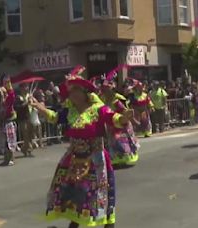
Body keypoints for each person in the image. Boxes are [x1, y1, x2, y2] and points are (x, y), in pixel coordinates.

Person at [31, 73, 134, 228]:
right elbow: (55, 117)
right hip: (74, 159)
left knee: (95, 192)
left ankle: (106, 221)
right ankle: (75, 221)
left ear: (84, 92)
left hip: (95, 159)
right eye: (70, 91)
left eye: (75, 90)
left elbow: (113, 118)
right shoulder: (70, 111)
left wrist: (123, 118)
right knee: (73, 193)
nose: (72, 94)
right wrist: (40, 108)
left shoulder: (98, 109)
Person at [100, 79, 139, 166]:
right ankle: (115, 158)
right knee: (111, 142)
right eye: (103, 90)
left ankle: (126, 157)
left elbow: (125, 111)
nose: (104, 91)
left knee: (120, 140)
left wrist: (133, 120)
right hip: (110, 125)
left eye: (106, 89)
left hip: (121, 123)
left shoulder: (117, 100)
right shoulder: (102, 100)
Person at [0, 75, 17, 166]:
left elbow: (12, 97)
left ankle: (11, 158)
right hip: (2, 121)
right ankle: (6, 158)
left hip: (8, 120)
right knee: (4, 140)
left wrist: (9, 89)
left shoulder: (9, 97)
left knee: (10, 140)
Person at [15, 82, 34, 157]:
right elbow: (17, 107)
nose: (27, 88)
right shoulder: (18, 97)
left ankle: (24, 148)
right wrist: (26, 102)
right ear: (21, 88)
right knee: (25, 133)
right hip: (22, 118)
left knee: (30, 133)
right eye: (25, 86)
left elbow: (32, 104)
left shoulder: (29, 96)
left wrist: (32, 100)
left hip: (29, 116)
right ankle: (28, 148)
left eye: (27, 86)